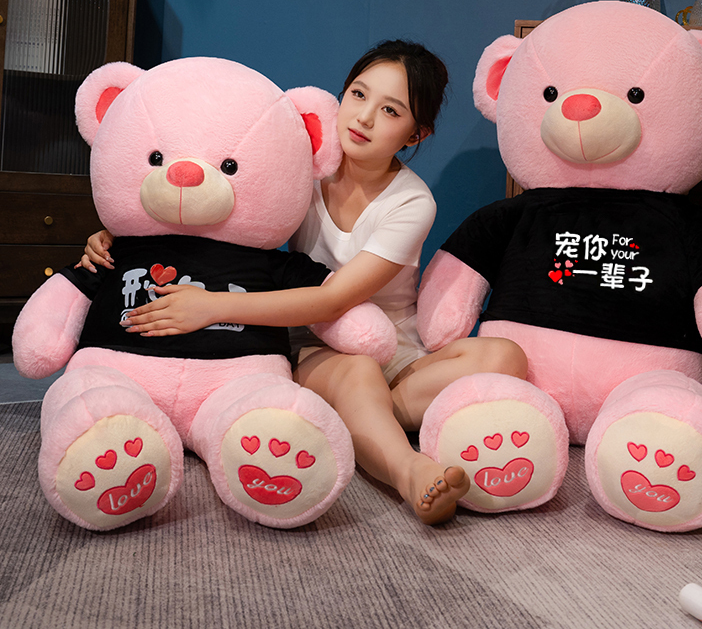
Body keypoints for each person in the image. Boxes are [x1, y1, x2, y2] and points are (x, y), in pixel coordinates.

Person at [79, 40, 528, 526]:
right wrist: (125, 240)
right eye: (358, 94)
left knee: (505, 356)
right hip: (312, 344)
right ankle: (409, 469)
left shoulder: (412, 202)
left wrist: (212, 306)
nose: (364, 117)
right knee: (357, 371)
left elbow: (335, 297)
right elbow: (217, 218)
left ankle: (362, 415)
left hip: (394, 349)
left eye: (390, 110)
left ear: (415, 133)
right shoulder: (301, 168)